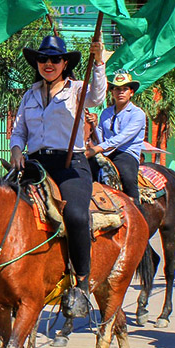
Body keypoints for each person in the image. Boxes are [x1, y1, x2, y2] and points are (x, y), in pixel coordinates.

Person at [9, 35, 107, 319]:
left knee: (76, 215)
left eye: (54, 59)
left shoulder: (77, 90)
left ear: (65, 63)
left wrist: (98, 61)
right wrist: (16, 149)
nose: (48, 64)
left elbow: (98, 97)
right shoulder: (29, 94)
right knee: (2, 204)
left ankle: (81, 284)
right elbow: (18, 131)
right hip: (36, 164)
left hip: (70, 164)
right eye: (43, 59)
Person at [88, 71, 146, 209]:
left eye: (125, 89)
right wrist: (93, 125)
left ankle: (137, 210)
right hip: (105, 152)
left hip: (126, 153)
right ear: (112, 92)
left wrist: (96, 149)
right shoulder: (106, 113)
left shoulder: (137, 114)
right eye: (117, 89)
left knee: (126, 175)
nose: (121, 92)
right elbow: (100, 136)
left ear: (131, 92)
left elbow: (121, 139)